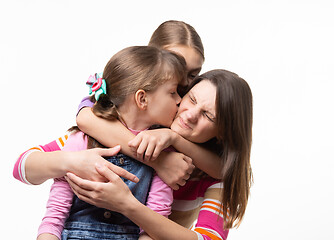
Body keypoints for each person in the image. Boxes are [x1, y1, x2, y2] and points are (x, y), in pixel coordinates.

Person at [13, 20, 222, 191]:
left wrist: (174, 137)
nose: (184, 82)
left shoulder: (197, 118)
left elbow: (226, 171)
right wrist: (159, 161)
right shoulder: (104, 124)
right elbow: (85, 119)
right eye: (174, 64)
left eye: (193, 74)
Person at [66, 69, 254, 240]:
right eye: (192, 100)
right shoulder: (137, 128)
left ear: (223, 133)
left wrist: (127, 205)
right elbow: (37, 159)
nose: (190, 115)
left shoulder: (214, 177)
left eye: (208, 115)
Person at [37, 45, 186, 240]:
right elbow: (54, 217)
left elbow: (153, 227)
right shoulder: (81, 140)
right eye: (173, 92)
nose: (180, 100)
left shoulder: (165, 155)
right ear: (142, 99)